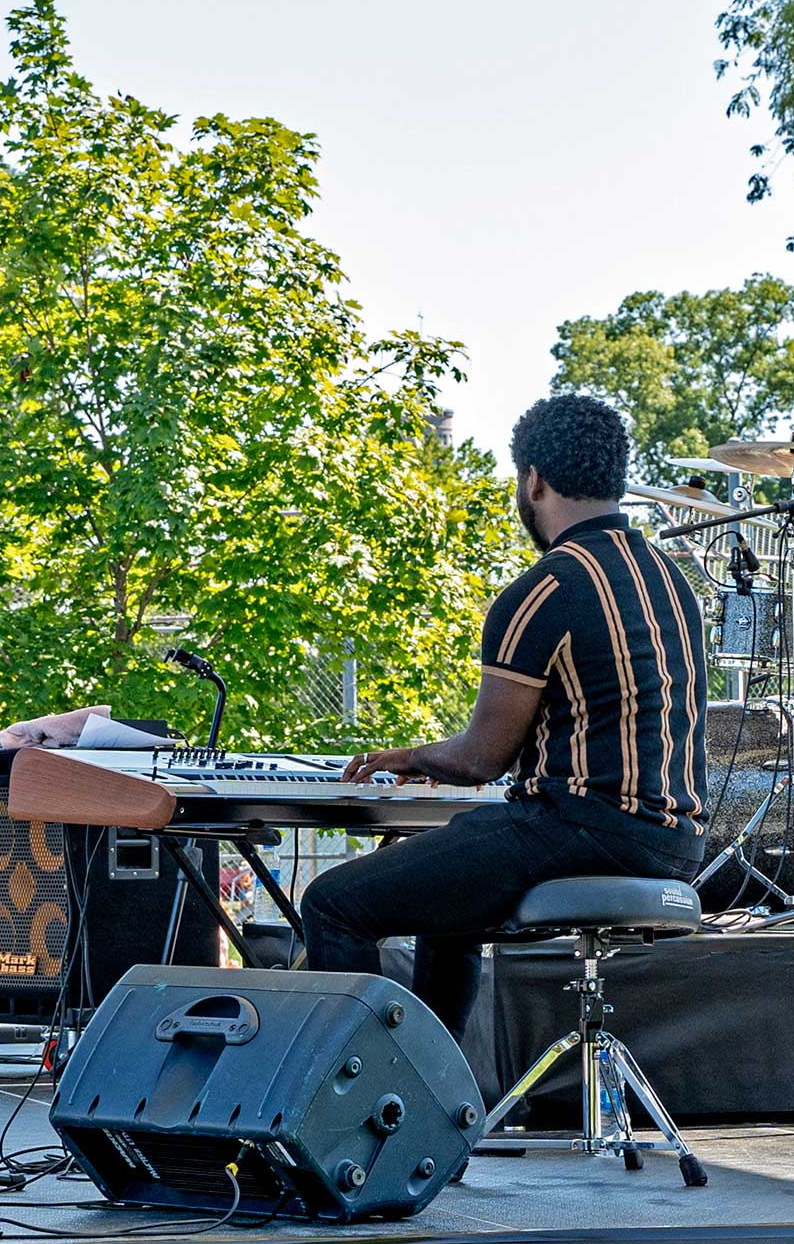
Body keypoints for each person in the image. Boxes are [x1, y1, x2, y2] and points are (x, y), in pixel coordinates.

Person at [301, 394, 708, 1040]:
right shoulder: (671, 581)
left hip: (578, 827)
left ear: (533, 479)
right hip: (676, 843)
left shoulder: (545, 589)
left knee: (333, 904)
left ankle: (346, 1112)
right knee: (447, 907)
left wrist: (405, 757)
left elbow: (480, 758)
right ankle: (428, 1099)